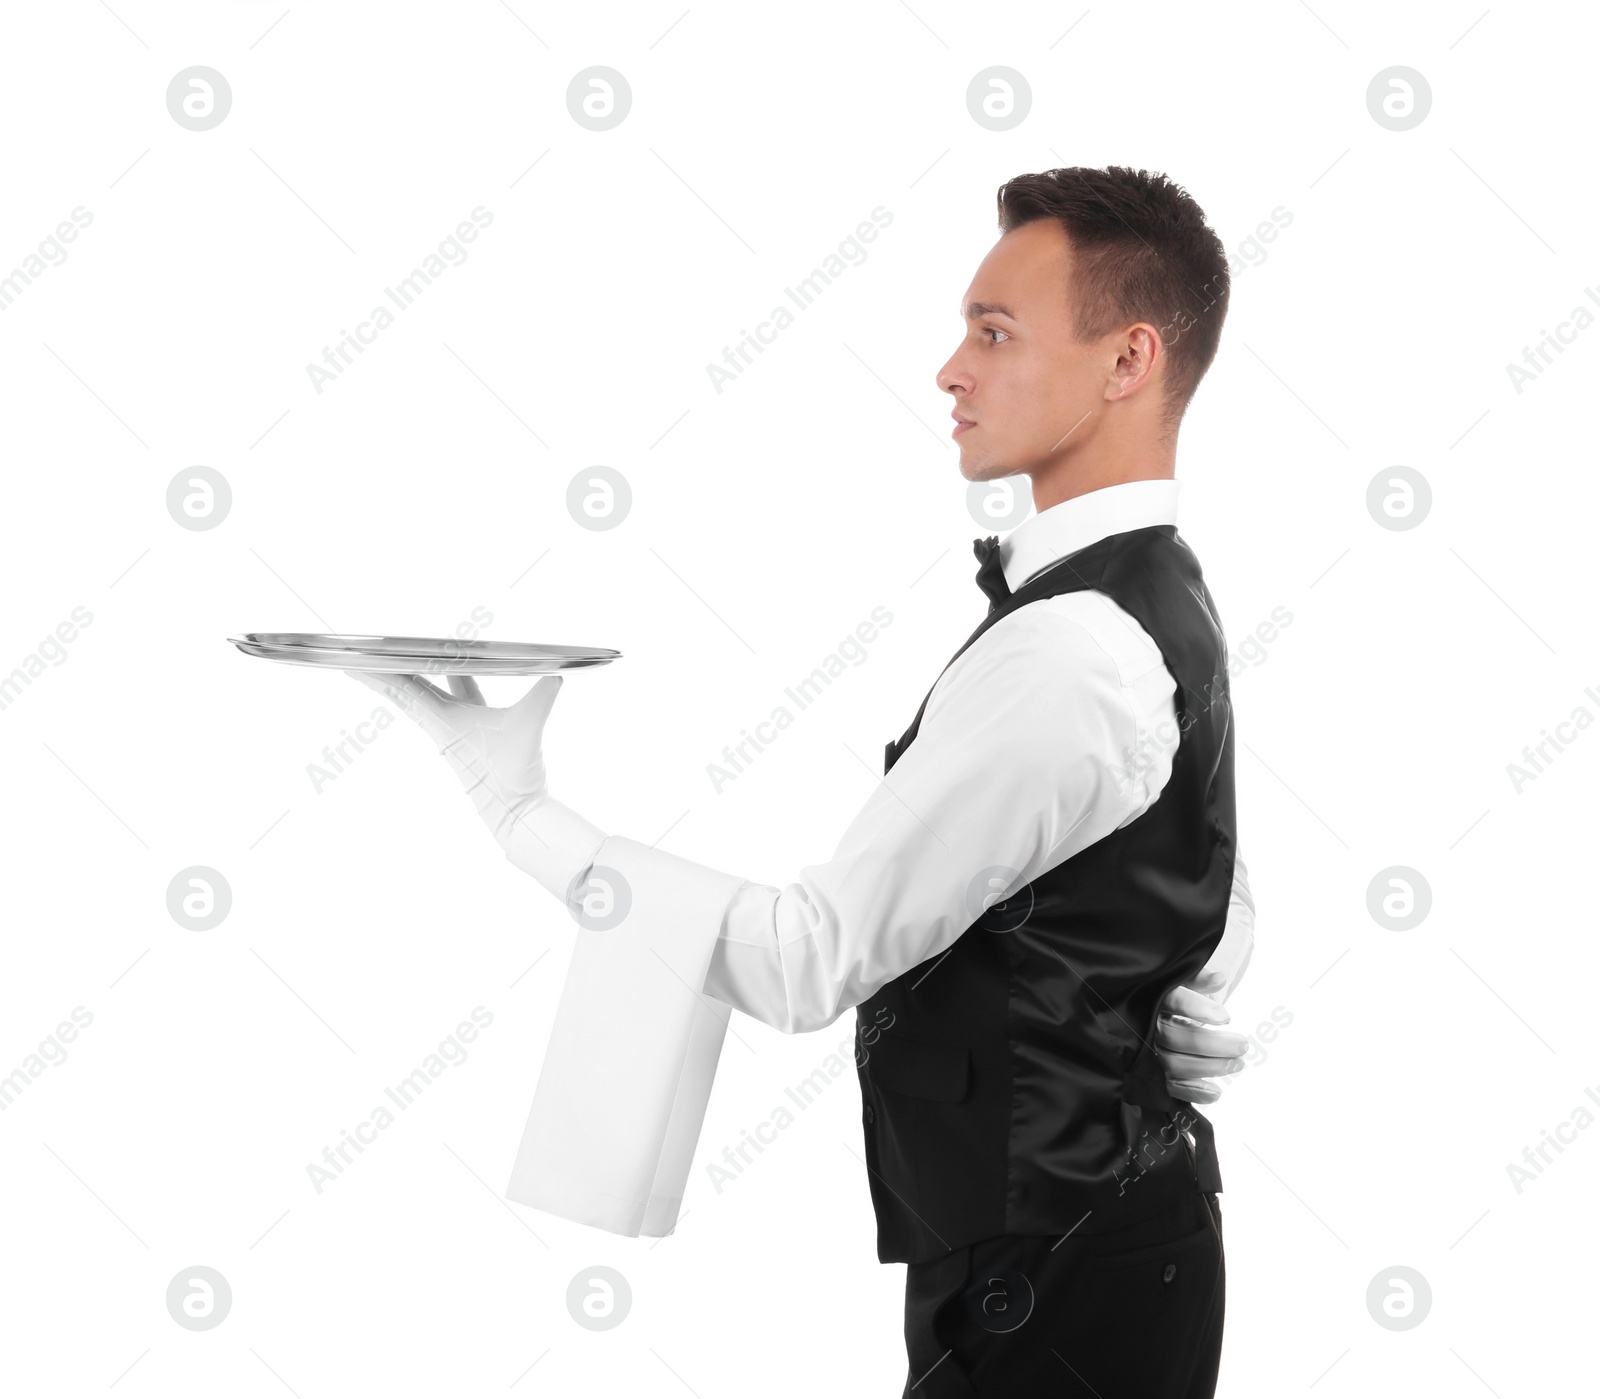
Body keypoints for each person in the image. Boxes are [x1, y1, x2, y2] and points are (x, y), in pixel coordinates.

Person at [352, 164, 1253, 1398]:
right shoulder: (1154, 589)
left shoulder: (1070, 647)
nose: (950, 369)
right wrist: (1198, 963)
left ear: (1126, 360)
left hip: (1056, 1268)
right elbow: (1176, 828)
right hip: (1098, 1240)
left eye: (993, 332)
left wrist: (523, 817)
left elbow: (806, 955)